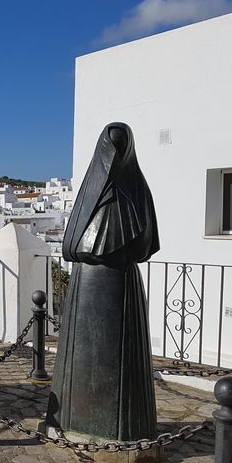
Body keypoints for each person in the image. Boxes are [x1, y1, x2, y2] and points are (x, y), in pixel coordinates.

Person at [47, 122, 159, 441]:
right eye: (111, 148)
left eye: (120, 148)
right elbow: (73, 246)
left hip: (119, 285)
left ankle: (118, 425)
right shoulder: (95, 193)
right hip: (88, 285)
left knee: (118, 363)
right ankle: (75, 419)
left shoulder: (136, 191)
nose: (114, 157)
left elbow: (144, 243)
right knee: (82, 359)